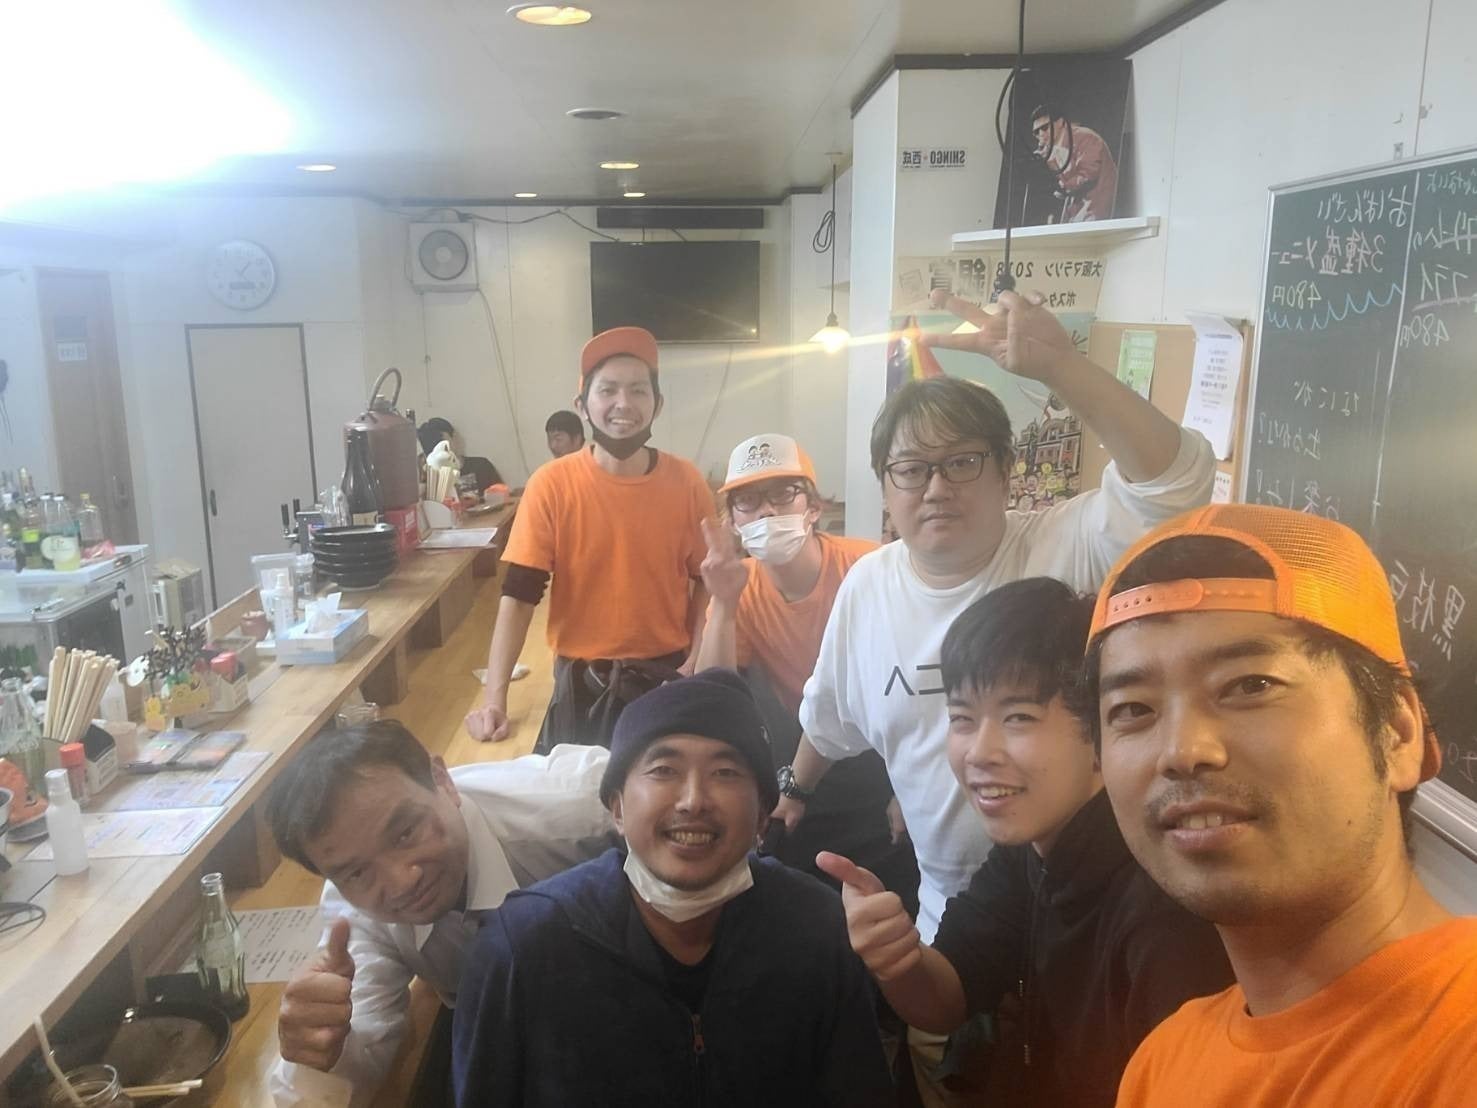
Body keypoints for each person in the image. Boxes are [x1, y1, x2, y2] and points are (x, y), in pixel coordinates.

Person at [782, 288, 1216, 1102]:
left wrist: (1061, 368)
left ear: (1005, 470)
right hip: (962, 913)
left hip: (1093, 894)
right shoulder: (867, 586)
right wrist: (791, 793)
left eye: (961, 462)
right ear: (883, 487)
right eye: (910, 469)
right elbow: (830, 716)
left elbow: (1175, 485)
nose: (934, 487)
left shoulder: (1065, 546)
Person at [1083, 505, 1477, 1106]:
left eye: (1251, 685)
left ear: (1399, 734)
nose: (1183, 751)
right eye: (1133, 709)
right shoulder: (1161, 1064)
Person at [819, 577, 1233, 1106]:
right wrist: (897, 959)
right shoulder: (1029, 852)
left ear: (1102, 730)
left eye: (1018, 717)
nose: (979, 751)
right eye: (962, 718)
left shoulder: (1165, 910)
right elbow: (949, 997)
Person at [452, 669, 893, 1107]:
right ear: (617, 807)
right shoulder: (525, 947)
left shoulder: (816, 931)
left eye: (725, 773)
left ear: (762, 816)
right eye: (663, 770)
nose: (693, 800)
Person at [266, 721, 616, 1107]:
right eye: (357, 873)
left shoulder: (580, 809)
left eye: (404, 834)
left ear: (443, 781)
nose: (402, 882)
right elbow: (365, 1042)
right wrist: (318, 1049)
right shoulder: (355, 915)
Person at [464, 326, 713, 750]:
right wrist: (494, 699)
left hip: (669, 674)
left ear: (657, 404)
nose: (623, 403)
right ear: (582, 406)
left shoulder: (687, 482)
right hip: (580, 680)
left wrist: (698, 657)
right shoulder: (551, 485)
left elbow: (707, 578)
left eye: (638, 390)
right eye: (608, 390)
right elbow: (520, 593)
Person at [696, 431, 915, 901]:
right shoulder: (740, 585)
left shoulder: (870, 568)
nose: (766, 512)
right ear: (732, 522)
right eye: (748, 501)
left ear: (813, 507)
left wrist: (911, 785)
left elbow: (918, 676)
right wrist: (725, 603)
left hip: (886, 744)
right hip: (806, 750)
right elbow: (711, 701)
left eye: (783, 494)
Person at [1029, 103, 1119, 223]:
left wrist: (1064, 187)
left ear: (1060, 122)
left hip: (1097, 206)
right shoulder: (1051, 148)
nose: (1041, 134)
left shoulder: (1085, 138)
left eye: (1045, 127)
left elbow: (1088, 175)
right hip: (1077, 209)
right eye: (1036, 132)